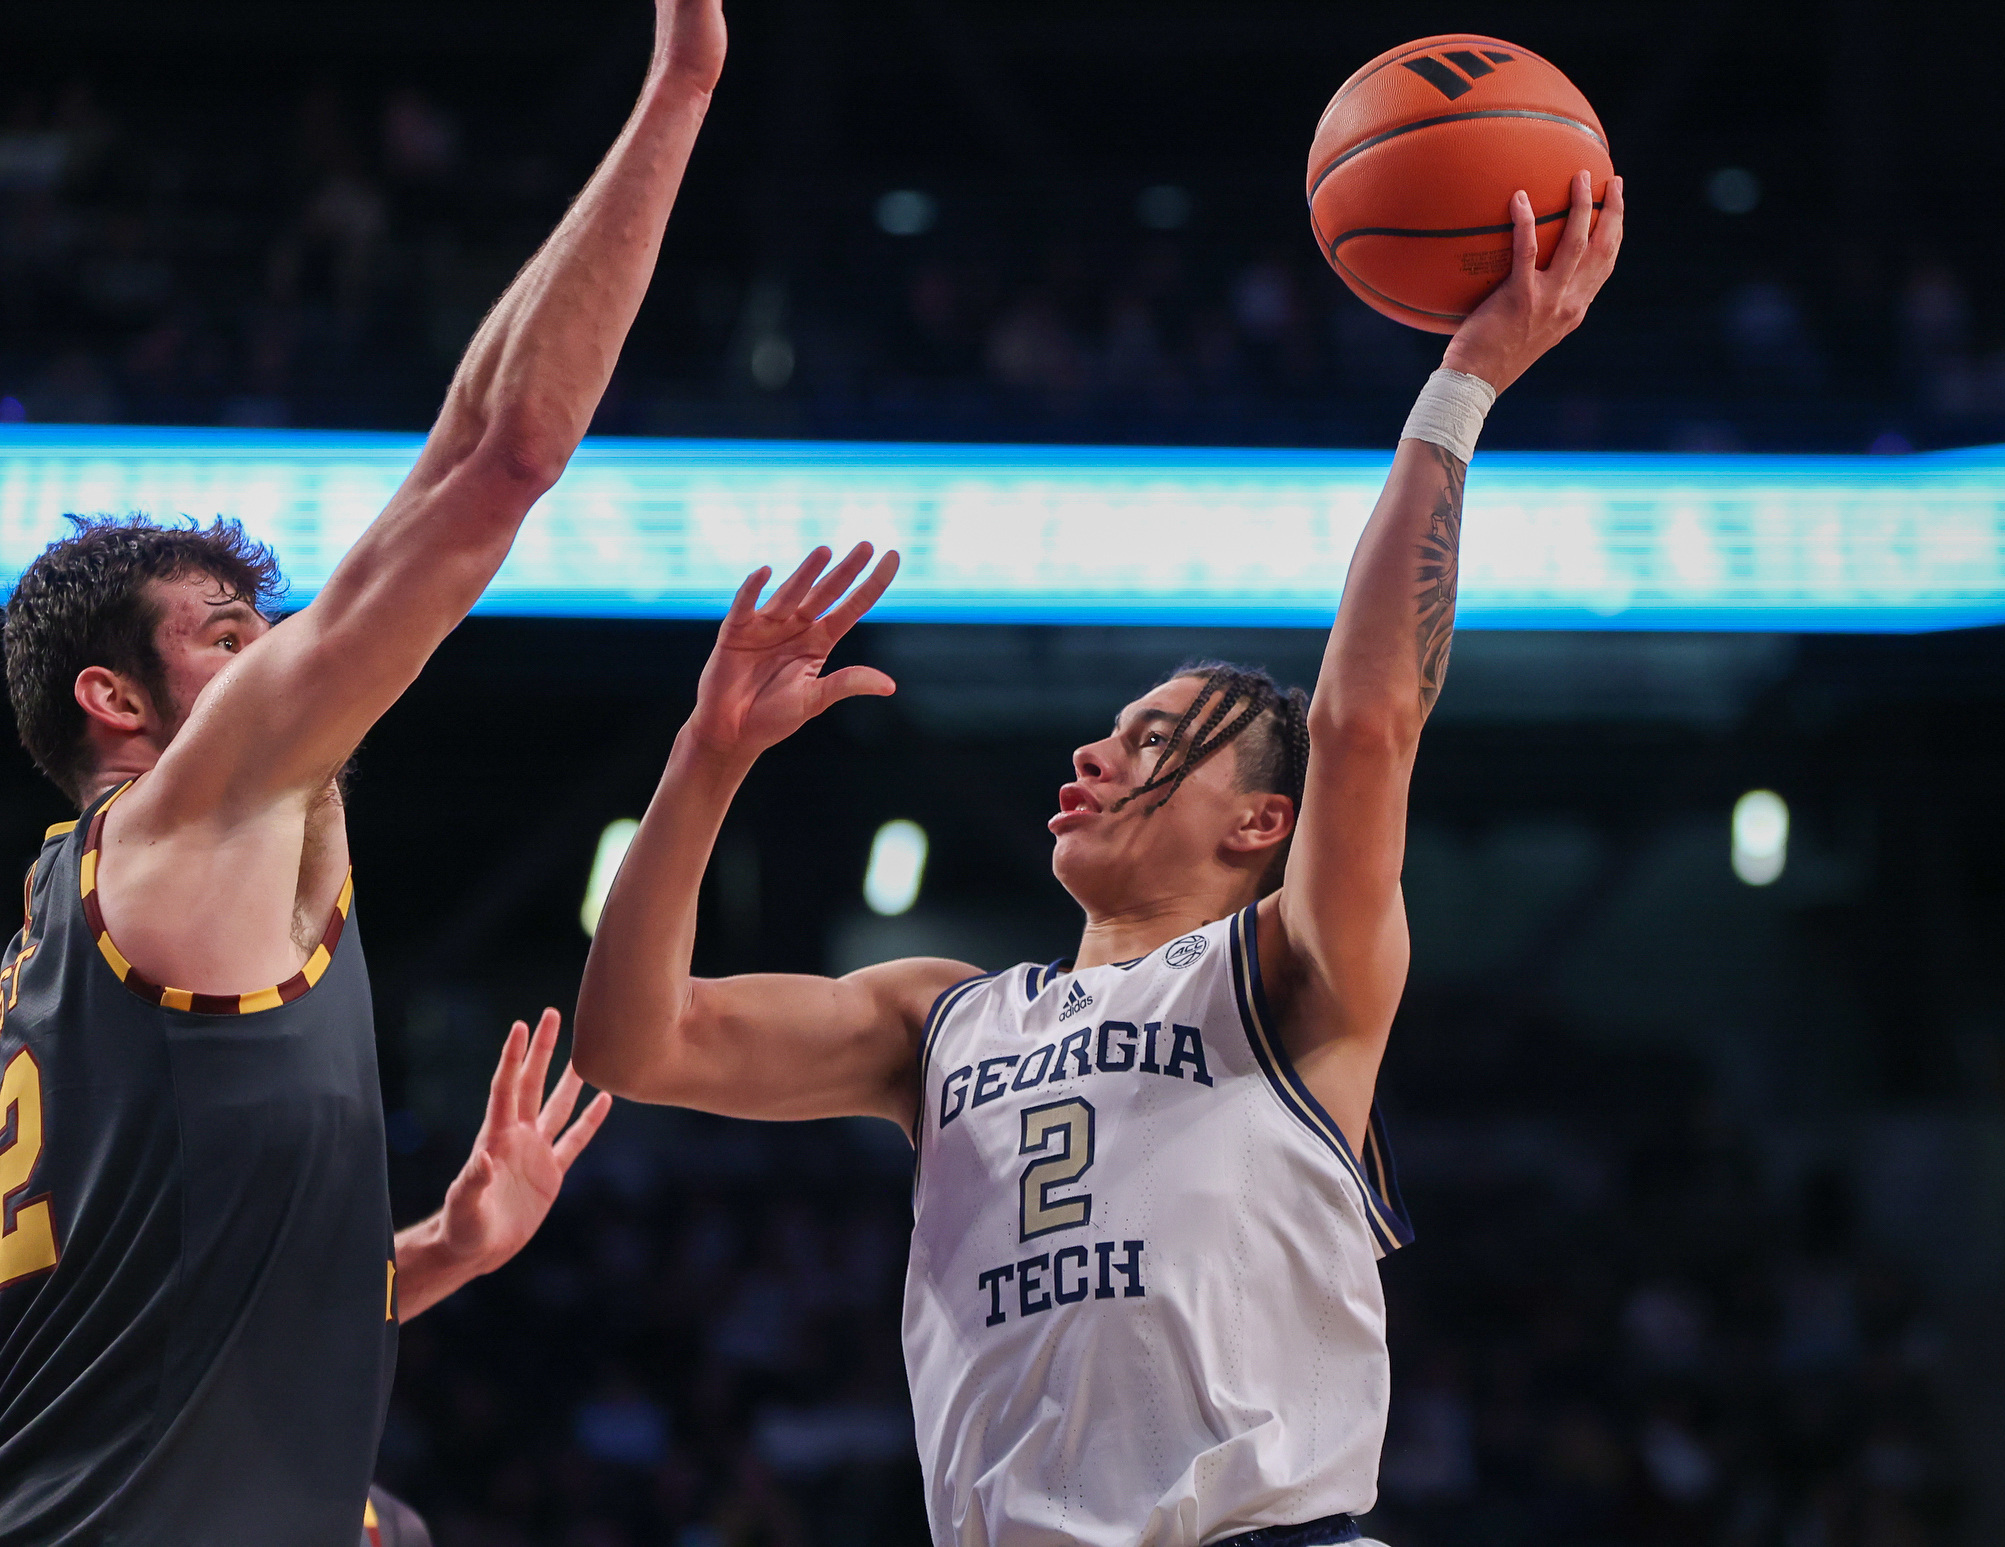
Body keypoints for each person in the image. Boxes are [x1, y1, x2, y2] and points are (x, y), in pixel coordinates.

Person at [573, 172, 1624, 1547]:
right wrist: (704, 761)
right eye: (1106, 733)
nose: (1095, 755)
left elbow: (1362, 723)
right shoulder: (940, 1016)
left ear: (1261, 824)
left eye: (1155, 742)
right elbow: (633, 1041)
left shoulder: (1290, 973)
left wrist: (1463, 384)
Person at [0, 1, 729, 1538]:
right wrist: (680, 86)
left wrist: (437, 1256)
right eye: (224, 637)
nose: (273, 654)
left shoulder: (61, 944)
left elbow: (160, 1324)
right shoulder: (191, 812)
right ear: (113, 702)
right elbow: (504, 458)